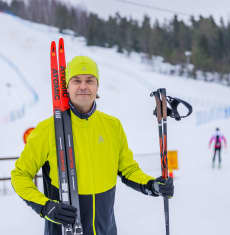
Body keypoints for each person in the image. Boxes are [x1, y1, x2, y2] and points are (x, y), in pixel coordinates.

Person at [11, 56, 174, 235]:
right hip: (64, 231)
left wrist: (152, 185)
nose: (83, 86)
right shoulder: (48, 129)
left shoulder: (112, 126)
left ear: (97, 87)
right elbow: (20, 176)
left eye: (90, 80)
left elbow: (128, 170)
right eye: (76, 80)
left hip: (106, 230)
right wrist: (46, 207)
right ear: (66, 87)